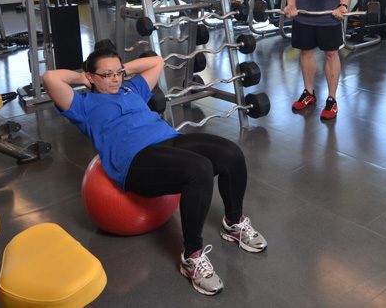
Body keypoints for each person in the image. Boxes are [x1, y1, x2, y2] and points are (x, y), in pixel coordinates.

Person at [42, 43, 267, 296]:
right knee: (199, 169)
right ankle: (192, 257)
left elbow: (156, 62)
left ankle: (234, 223)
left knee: (231, 154)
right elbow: (50, 77)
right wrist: (79, 77)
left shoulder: (131, 88)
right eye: (107, 75)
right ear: (91, 77)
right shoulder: (82, 105)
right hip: (135, 160)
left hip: (167, 139)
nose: (115, 79)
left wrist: (120, 68)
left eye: (118, 73)